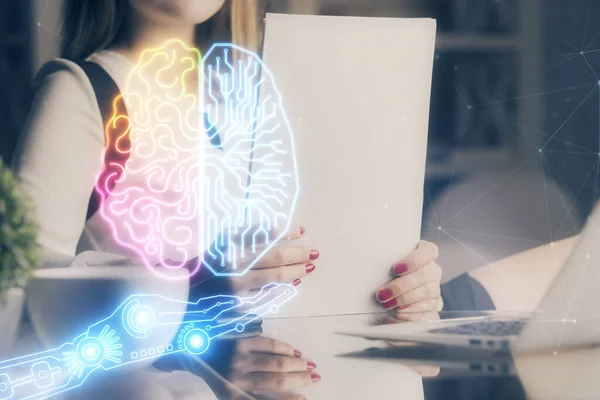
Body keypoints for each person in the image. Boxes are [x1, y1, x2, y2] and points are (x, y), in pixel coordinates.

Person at [14, 0, 567, 394]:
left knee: (578, 267)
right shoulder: (84, 92)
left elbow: (357, 263)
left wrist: (414, 299)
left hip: (367, 352)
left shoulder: (265, 90)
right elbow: (23, 318)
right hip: (283, 372)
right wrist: (208, 307)